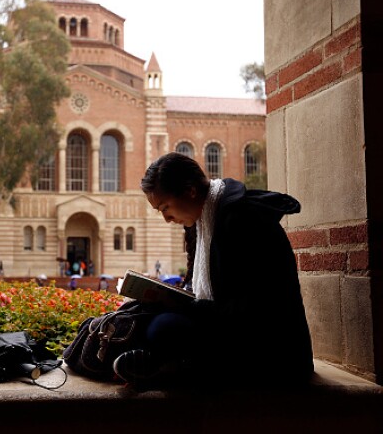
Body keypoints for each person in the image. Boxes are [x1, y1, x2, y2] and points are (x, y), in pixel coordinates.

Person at [112, 152, 314, 389]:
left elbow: (251, 309)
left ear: (191, 191)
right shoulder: (201, 220)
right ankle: (163, 367)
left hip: (270, 348)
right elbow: (200, 292)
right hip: (228, 327)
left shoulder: (242, 220)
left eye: (165, 207)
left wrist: (185, 305)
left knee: (164, 328)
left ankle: (171, 371)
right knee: (146, 317)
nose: (166, 219)